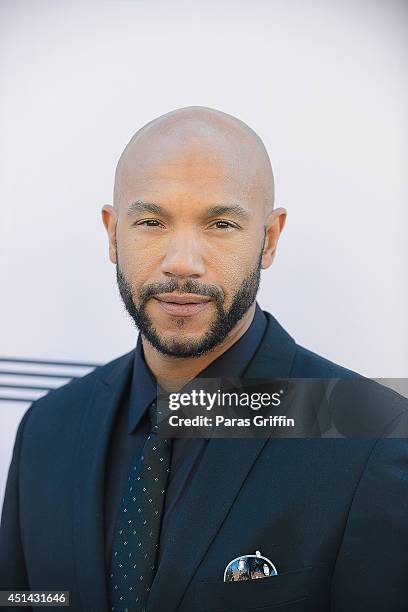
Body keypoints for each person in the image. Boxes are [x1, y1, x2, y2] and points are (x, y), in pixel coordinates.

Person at [0, 107, 407, 612]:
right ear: (112, 234)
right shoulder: (48, 427)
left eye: (219, 224)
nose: (182, 263)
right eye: (151, 221)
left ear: (270, 239)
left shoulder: (372, 436)